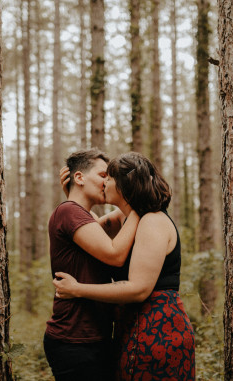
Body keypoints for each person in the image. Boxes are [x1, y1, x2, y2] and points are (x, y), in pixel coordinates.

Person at [54, 152, 196, 381]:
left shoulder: (152, 221)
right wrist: (74, 195)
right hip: (130, 328)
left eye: (108, 177)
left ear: (123, 185)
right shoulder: (125, 216)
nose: (104, 182)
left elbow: (138, 289)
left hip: (158, 330)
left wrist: (78, 289)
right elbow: (87, 232)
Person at [44, 148, 140, 381]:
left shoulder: (80, 215)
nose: (108, 182)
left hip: (92, 338)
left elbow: (115, 220)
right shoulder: (69, 211)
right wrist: (141, 206)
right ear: (79, 178)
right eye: (103, 175)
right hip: (74, 340)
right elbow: (115, 255)